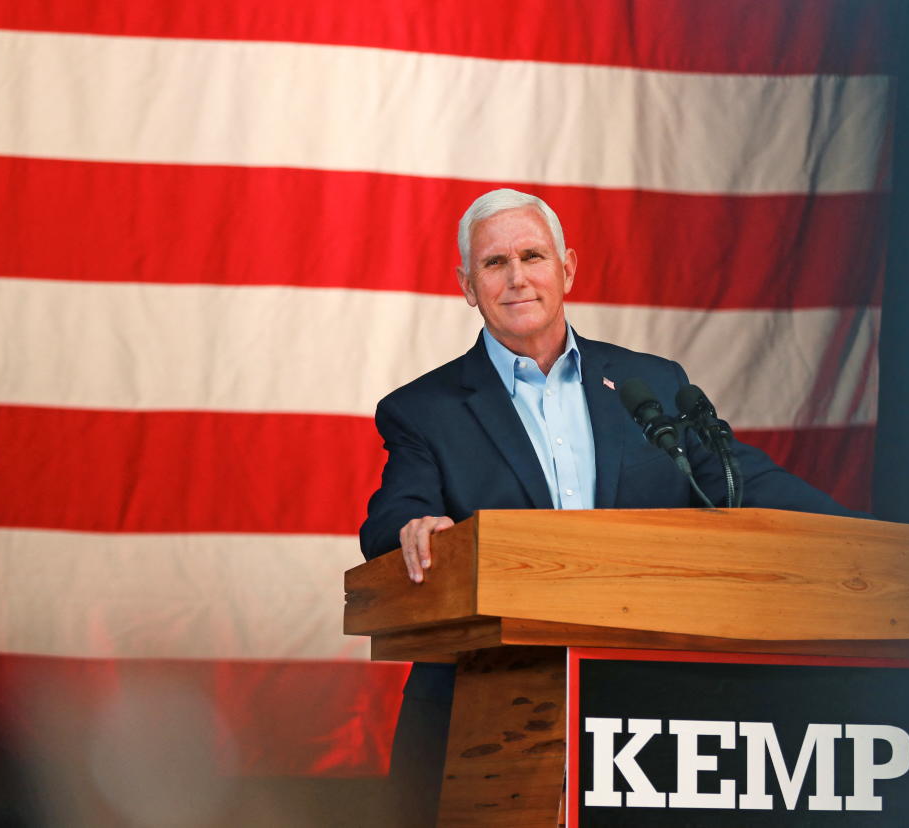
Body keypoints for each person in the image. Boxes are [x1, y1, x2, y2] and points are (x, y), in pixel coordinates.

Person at [359, 188, 858, 824]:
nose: (517, 278)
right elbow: (393, 514)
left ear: (566, 268)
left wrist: (858, 536)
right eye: (494, 263)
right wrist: (416, 527)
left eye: (532, 256)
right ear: (466, 285)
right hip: (481, 717)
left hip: (645, 710)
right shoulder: (423, 409)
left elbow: (741, 485)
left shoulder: (652, 385)